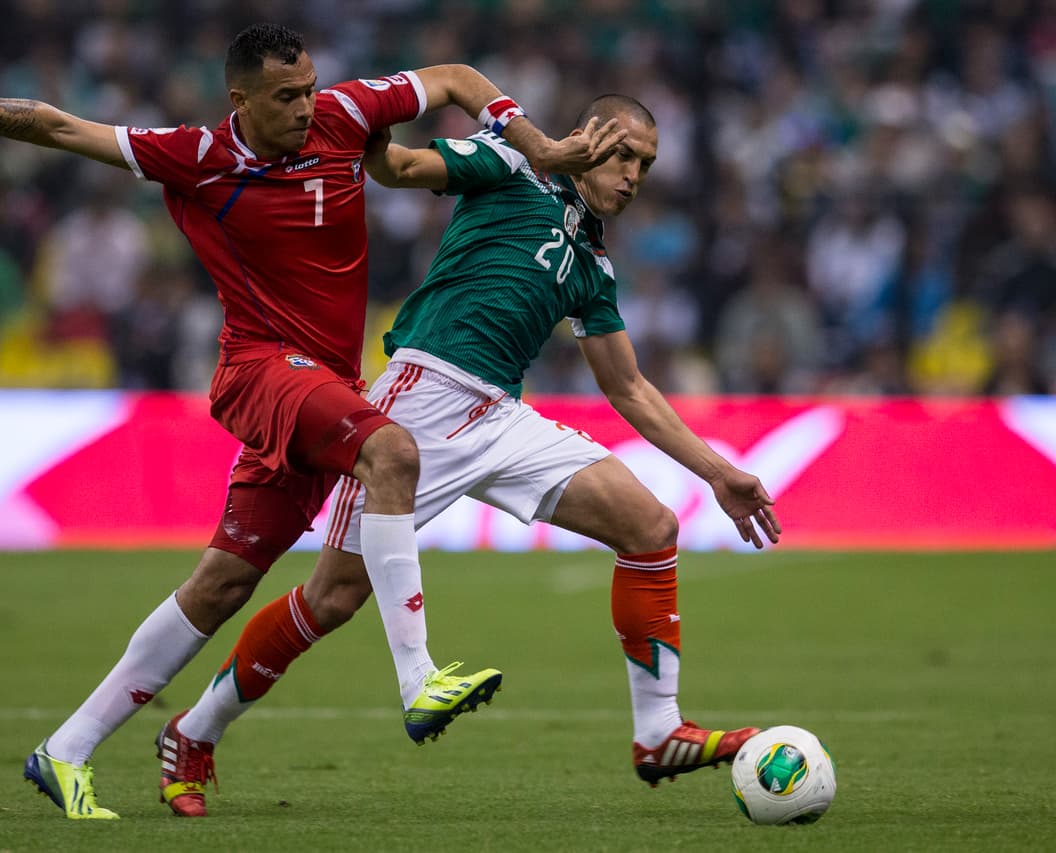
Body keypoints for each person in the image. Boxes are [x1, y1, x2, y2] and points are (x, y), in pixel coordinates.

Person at [0, 23, 626, 820]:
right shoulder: (198, 156)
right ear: (242, 99)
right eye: (287, 97)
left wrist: (540, 145)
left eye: (310, 89)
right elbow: (54, 125)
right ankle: (419, 678)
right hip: (261, 368)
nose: (306, 108)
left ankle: (67, 748)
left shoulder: (344, 112)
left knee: (223, 581)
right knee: (392, 451)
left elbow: (458, 76)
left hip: (324, 385)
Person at [167, 94, 782, 815]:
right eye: (623, 154)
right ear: (585, 137)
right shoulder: (512, 165)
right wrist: (370, 118)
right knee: (332, 598)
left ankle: (659, 732)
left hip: (501, 416)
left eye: (645, 164)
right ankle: (192, 732)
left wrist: (720, 474)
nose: (633, 175)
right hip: (420, 402)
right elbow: (397, 168)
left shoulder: (593, 262)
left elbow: (628, 387)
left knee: (650, 527)